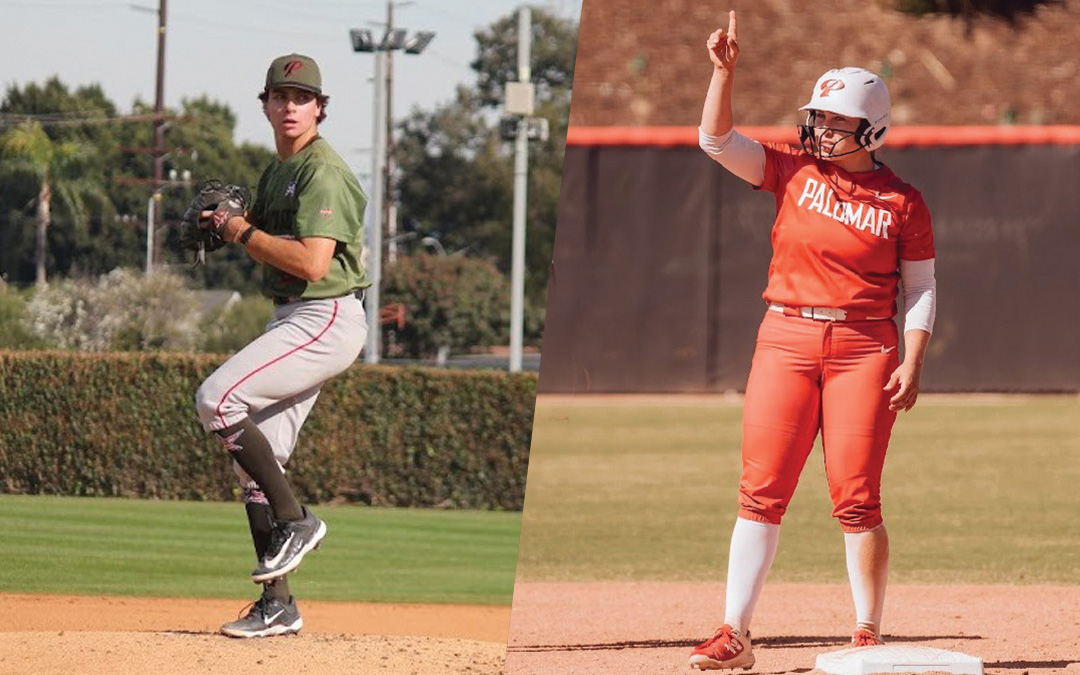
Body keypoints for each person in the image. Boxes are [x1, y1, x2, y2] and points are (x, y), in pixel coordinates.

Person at [687, 11, 937, 671]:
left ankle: (866, 630)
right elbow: (716, 141)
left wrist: (914, 357)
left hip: (865, 348)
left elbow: (922, 288)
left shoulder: (902, 201)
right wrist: (723, 73)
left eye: (834, 120)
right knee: (760, 490)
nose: (820, 128)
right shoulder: (793, 170)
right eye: (818, 117)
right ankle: (733, 633)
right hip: (785, 338)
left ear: (871, 128)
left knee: (857, 495)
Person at [193, 53, 369, 638]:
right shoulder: (276, 173)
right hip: (293, 316)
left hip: (325, 315)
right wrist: (226, 223)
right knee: (258, 463)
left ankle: (297, 519)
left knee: (217, 400)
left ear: (320, 108)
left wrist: (240, 230)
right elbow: (262, 240)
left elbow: (314, 265)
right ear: (265, 103)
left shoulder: (324, 170)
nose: (290, 106)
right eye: (280, 96)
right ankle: (279, 606)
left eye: (302, 97)